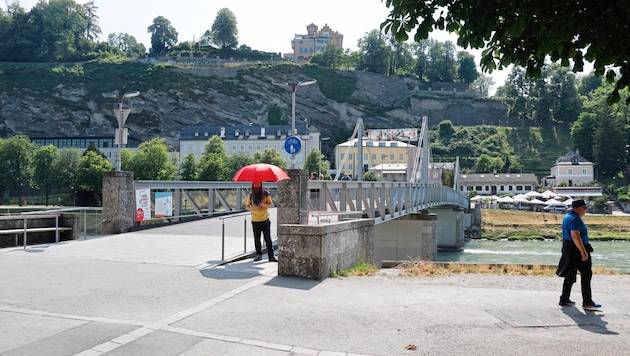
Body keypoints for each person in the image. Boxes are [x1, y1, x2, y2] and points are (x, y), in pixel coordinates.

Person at [556, 199, 601, 310]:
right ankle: (587, 302)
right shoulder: (575, 219)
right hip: (578, 250)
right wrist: (583, 252)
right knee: (586, 275)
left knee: (570, 275)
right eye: (584, 207)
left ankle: (564, 298)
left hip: (569, 250)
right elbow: (575, 235)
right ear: (578, 208)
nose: (586, 210)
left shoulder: (567, 217)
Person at [246, 182, 277, 262]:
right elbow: (247, 207)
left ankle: (271, 256)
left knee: (267, 238)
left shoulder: (265, 194)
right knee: (257, 238)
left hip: (265, 219)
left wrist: (263, 205)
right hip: (255, 220)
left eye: (258, 183)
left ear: (260, 184)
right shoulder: (251, 195)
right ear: (253, 185)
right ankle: (258, 254)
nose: (256, 185)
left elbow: (272, 205)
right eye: (255, 183)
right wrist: (254, 207)